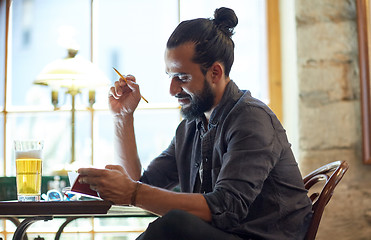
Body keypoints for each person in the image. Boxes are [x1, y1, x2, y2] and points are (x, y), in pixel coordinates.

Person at [78, 7, 313, 240]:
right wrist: (123, 117)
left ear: (215, 73)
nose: (172, 90)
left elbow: (226, 208)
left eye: (182, 77)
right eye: (170, 77)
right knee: (172, 223)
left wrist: (133, 192)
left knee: (173, 223)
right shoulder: (191, 127)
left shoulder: (252, 120)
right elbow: (141, 183)